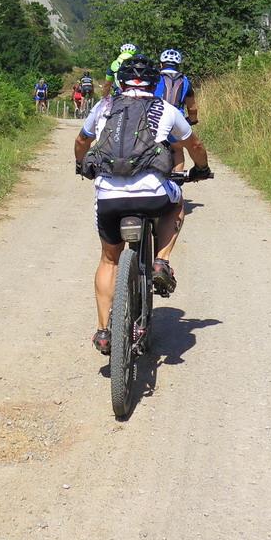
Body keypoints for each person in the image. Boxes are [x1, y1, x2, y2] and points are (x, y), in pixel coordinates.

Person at [74, 53, 212, 355]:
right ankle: (161, 260)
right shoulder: (165, 109)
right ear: (154, 83)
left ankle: (103, 331)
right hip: (152, 193)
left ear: (121, 81)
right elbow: (195, 145)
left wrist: (80, 165)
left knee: (109, 260)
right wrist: (201, 169)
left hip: (109, 197)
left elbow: (82, 141)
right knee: (177, 203)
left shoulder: (104, 106)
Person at [152, 48, 199, 174]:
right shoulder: (185, 81)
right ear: (178, 65)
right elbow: (192, 107)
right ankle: (177, 178)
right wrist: (192, 120)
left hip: (155, 118)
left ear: (161, 64)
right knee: (177, 149)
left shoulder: (155, 78)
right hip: (176, 120)